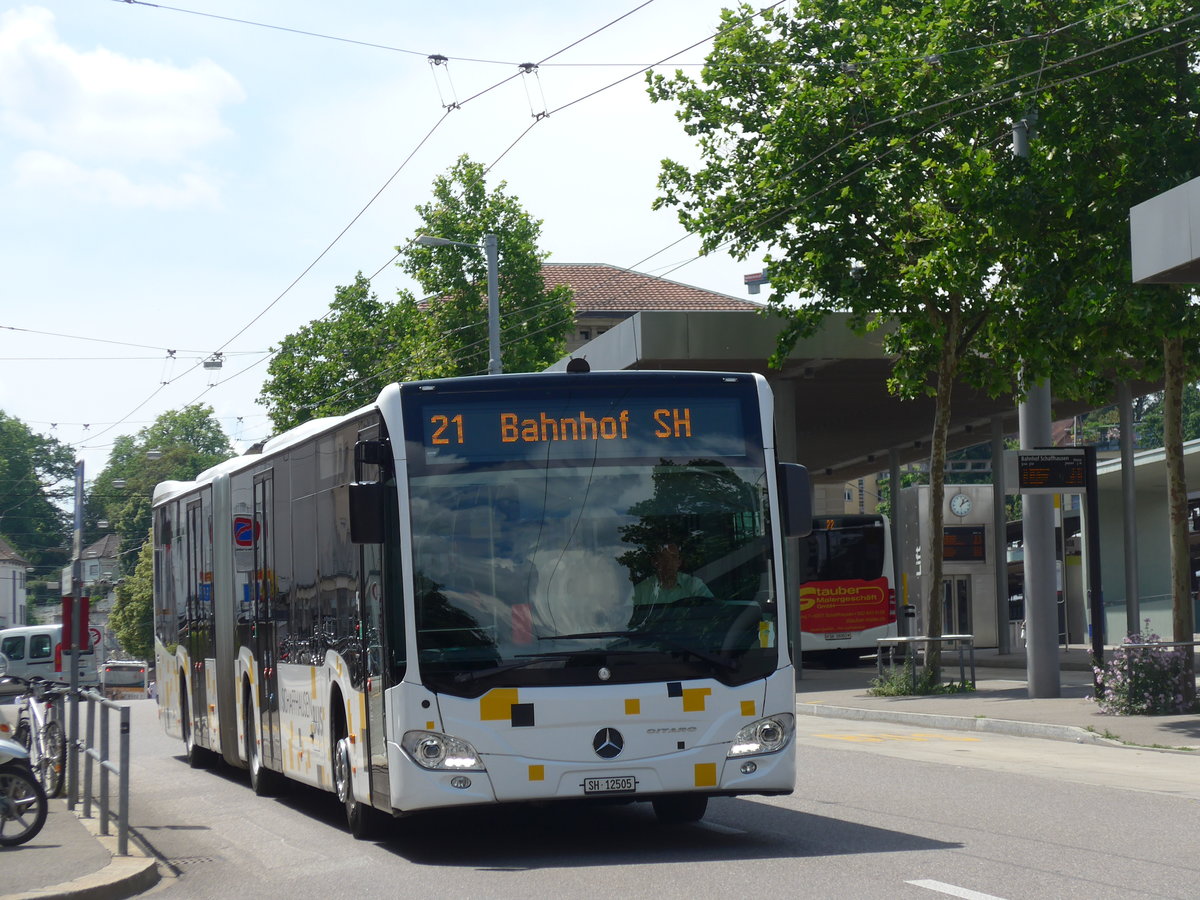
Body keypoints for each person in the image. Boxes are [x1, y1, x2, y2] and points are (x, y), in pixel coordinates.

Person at [631, 541, 712, 613]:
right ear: (654, 562)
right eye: (663, 557)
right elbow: (627, 618)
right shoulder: (640, 591)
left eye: (673, 557)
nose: (668, 562)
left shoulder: (694, 585)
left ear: (679, 562)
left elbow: (712, 610)